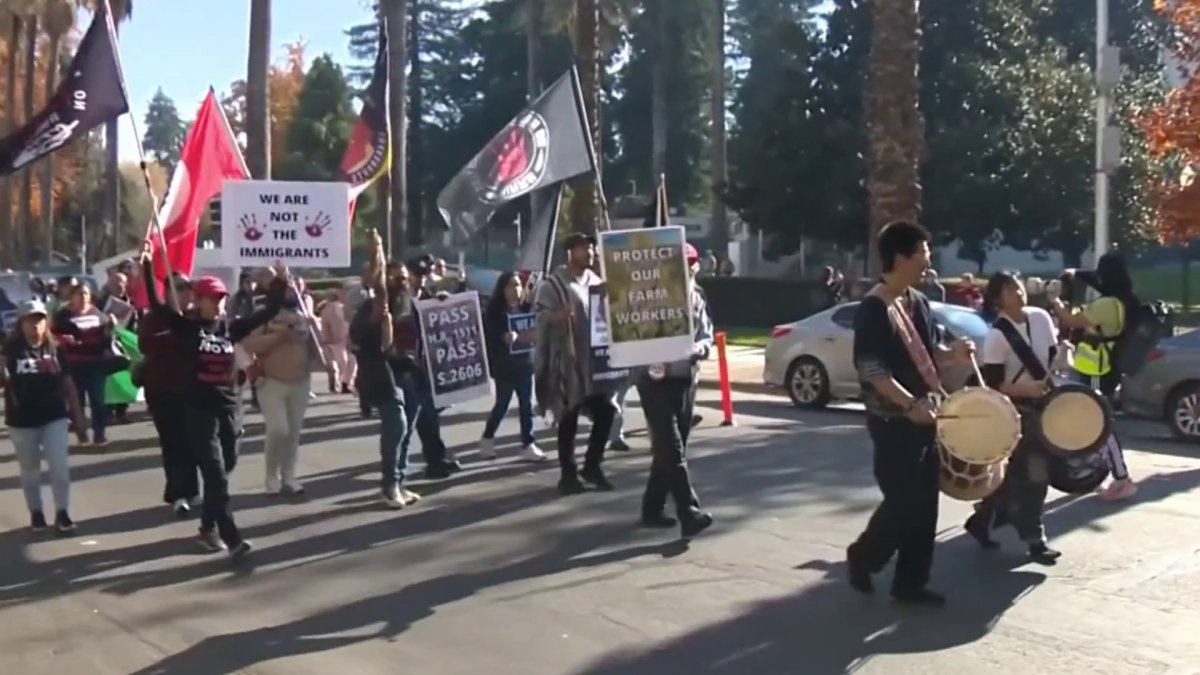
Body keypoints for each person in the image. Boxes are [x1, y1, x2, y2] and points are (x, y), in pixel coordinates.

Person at [845, 220, 974, 607]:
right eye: (923, 255)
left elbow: (930, 351)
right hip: (893, 421)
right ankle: (864, 556)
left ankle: (911, 583)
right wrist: (910, 405)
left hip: (926, 416)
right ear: (900, 257)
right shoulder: (873, 309)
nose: (928, 264)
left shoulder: (916, 302)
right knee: (903, 502)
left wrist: (956, 355)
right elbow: (873, 372)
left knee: (924, 504)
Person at [139, 245, 279, 560]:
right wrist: (148, 266)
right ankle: (229, 536)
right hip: (199, 411)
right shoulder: (186, 328)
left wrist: (280, 284)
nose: (218, 304)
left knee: (225, 469)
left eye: (221, 299)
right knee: (215, 475)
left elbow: (267, 312)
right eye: (212, 299)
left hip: (230, 410)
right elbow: (158, 306)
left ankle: (206, 528)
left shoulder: (231, 328)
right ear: (199, 301)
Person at [966, 271, 1061, 564]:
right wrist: (1025, 388)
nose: (1018, 291)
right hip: (1015, 411)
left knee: (1011, 477)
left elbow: (1051, 353)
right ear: (997, 300)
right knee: (1036, 473)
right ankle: (1035, 539)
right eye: (1009, 289)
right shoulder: (997, 335)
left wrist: (1062, 359)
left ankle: (982, 520)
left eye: (1017, 285)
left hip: (1044, 405)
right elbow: (992, 384)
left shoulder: (1041, 317)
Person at [636, 242, 716, 540]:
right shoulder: (649, 296)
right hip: (653, 380)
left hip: (686, 377)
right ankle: (689, 511)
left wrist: (699, 348)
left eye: (688, 265)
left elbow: (706, 332)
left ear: (695, 267)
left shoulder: (697, 296)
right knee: (672, 448)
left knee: (671, 447)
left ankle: (652, 507)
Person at [535, 232, 617, 495]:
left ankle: (592, 466)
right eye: (584, 248)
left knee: (606, 412)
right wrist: (557, 316)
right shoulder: (554, 284)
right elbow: (540, 318)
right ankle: (568, 475)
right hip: (566, 361)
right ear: (571, 252)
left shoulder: (596, 282)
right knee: (568, 417)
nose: (590, 252)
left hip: (594, 363)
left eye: (592, 247)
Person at [1052, 253, 1137, 501]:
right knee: (1089, 423)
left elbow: (1070, 319)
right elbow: (1099, 282)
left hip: (1098, 370)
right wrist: (1076, 274)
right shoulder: (1123, 299)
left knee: (1102, 424)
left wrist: (1055, 300)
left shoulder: (1106, 305)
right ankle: (1091, 474)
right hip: (1100, 368)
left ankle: (1122, 479)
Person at [1, 299, 88, 533]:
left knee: (59, 467)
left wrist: (78, 416)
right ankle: (36, 512)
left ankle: (63, 512)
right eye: (30, 320)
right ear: (20, 324)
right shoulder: (10, 351)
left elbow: (68, 383)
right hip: (22, 420)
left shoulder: (55, 348)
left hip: (54, 416)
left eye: (39, 320)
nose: (35, 325)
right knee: (30, 471)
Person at [351, 233, 425, 508]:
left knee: (406, 430)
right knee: (397, 423)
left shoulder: (410, 305)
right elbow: (357, 337)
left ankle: (400, 481)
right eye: (395, 278)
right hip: (381, 374)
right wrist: (377, 324)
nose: (401, 283)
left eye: (404, 278)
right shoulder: (372, 308)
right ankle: (389, 485)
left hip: (408, 373)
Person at [242, 276, 320, 496]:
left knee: (293, 432)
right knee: (278, 429)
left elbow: (318, 350)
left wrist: (315, 328)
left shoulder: (304, 317)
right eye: (289, 289)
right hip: (272, 382)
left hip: (300, 382)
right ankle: (271, 475)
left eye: (297, 288)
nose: (294, 292)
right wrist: (280, 337)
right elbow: (248, 343)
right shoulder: (264, 317)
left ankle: (289, 475)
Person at [138, 272, 202, 518]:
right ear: (166, 291)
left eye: (188, 286)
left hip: (194, 389)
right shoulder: (154, 318)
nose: (186, 291)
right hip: (163, 390)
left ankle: (191, 488)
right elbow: (146, 344)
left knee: (194, 441)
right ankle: (178, 494)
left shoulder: (196, 317)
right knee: (173, 443)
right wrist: (173, 334)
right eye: (180, 287)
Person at [479, 271, 546, 463]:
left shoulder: (527, 309)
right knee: (502, 405)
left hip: (525, 364)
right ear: (502, 289)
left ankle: (528, 443)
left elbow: (537, 327)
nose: (515, 289)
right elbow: (489, 336)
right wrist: (504, 337)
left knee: (526, 406)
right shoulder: (495, 313)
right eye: (510, 285)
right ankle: (487, 438)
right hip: (505, 368)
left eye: (517, 285)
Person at [51, 281, 113, 446]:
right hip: (72, 364)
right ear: (72, 296)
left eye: (86, 294)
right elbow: (51, 336)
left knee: (98, 400)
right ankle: (81, 433)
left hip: (95, 363)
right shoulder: (62, 315)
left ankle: (99, 434)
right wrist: (64, 339)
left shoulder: (98, 314)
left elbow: (107, 336)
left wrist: (112, 326)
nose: (83, 297)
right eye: (79, 294)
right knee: (76, 402)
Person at [320, 286, 353, 394]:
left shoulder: (333, 307)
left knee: (344, 363)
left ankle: (343, 383)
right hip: (338, 340)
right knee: (343, 363)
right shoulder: (334, 308)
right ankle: (344, 383)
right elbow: (334, 324)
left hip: (339, 339)